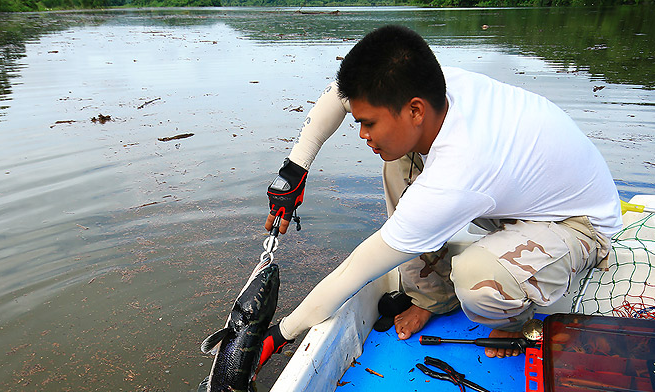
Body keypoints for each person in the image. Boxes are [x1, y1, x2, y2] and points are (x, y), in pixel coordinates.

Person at [259, 25, 621, 361]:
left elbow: (354, 271)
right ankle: (433, 297)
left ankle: (514, 321)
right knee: (400, 160)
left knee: (478, 280)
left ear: (414, 109)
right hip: (522, 192)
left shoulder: (460, 167)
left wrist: (281, 333)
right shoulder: (427, 83)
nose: (362, 134)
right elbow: (337, 96)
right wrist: (295, 169)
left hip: (577, 223)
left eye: (368, 123)